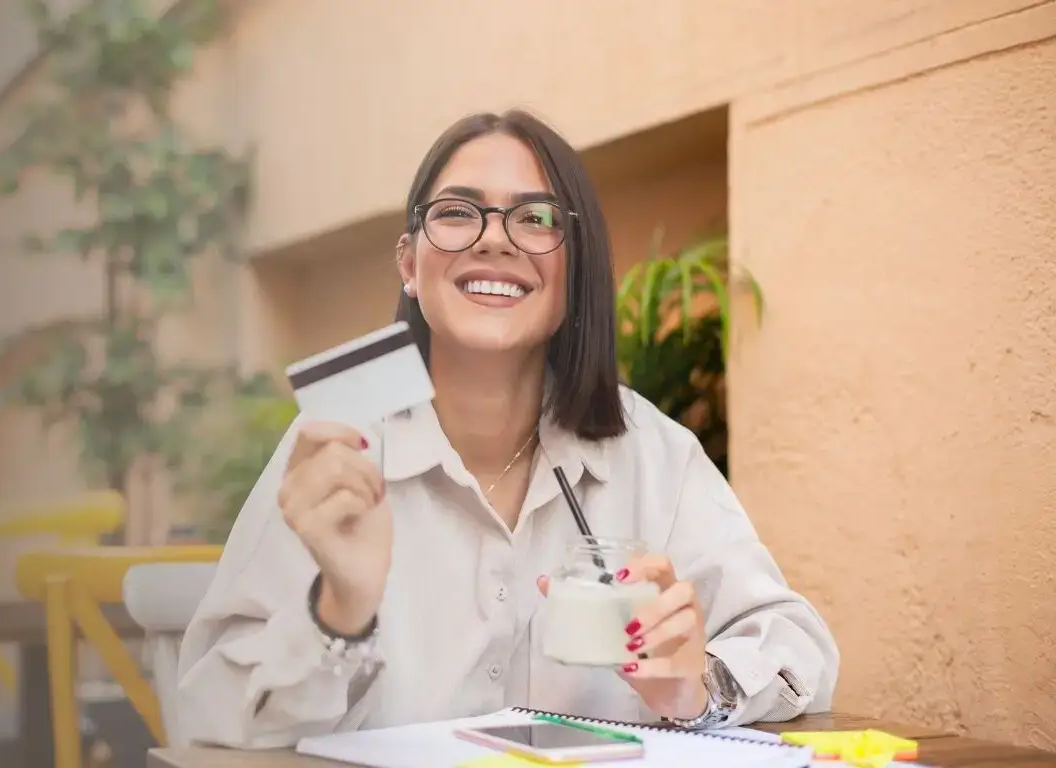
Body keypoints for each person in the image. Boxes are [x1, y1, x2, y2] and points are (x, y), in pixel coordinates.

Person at [176, 110, 839, 749]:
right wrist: (339, 614)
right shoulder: (337, 441)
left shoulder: (652, 452)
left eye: (537, 218)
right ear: (409, 264)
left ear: (573, 271)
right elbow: (206, 710)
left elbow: (795, 645)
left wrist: (699, 685)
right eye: (458, 213)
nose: (495, 238)